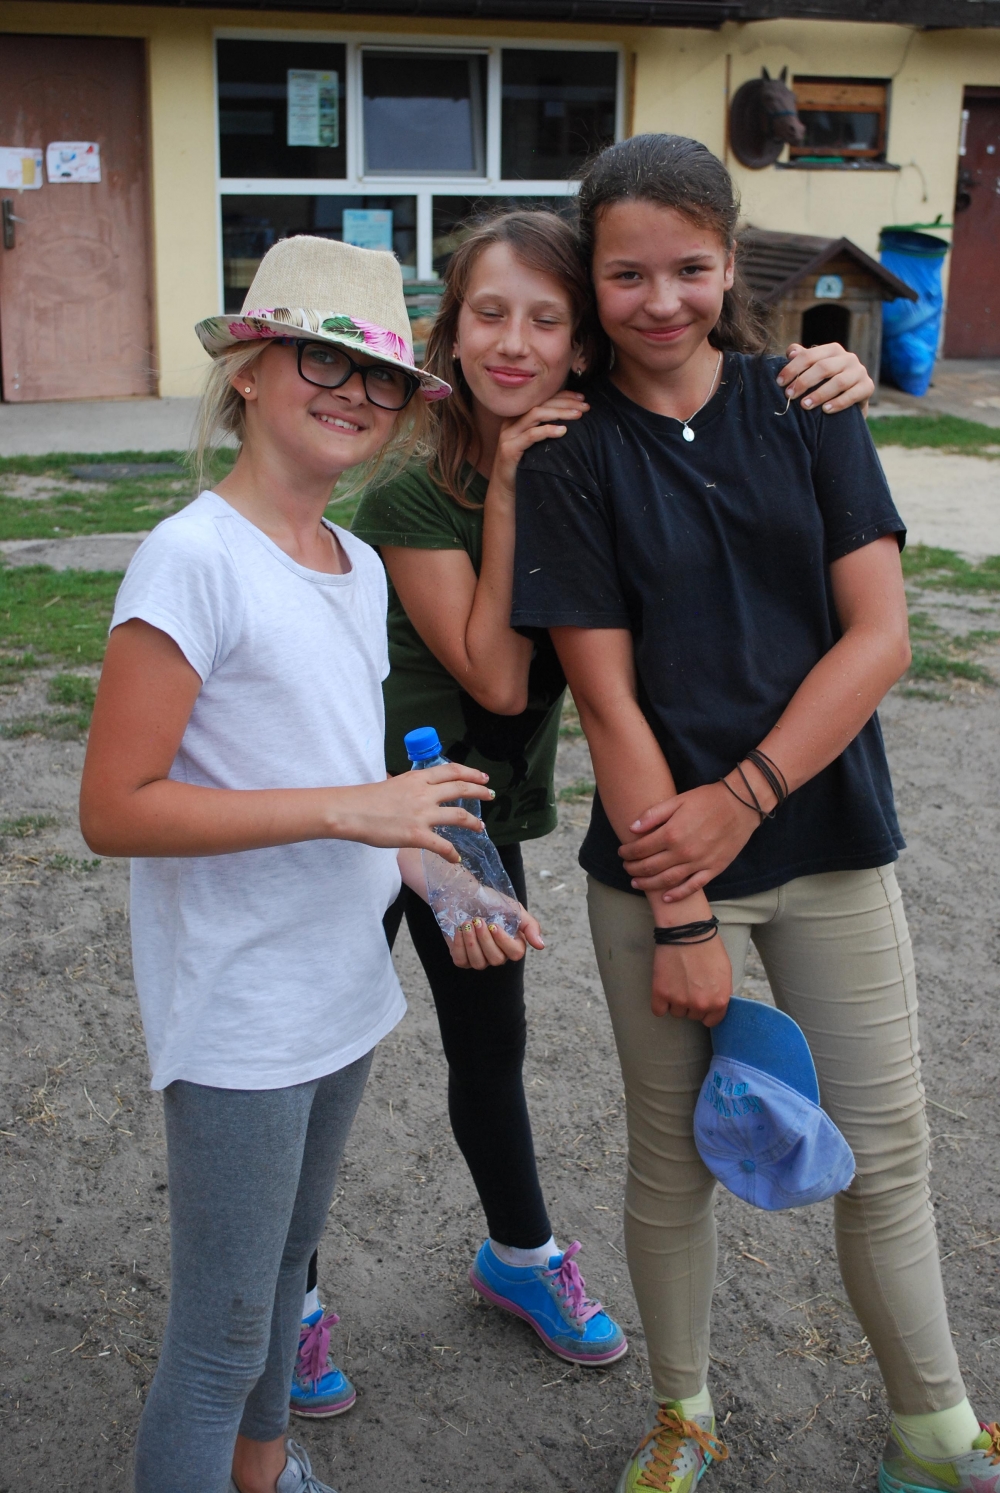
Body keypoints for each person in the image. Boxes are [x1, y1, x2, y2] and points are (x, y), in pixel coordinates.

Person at [294, 210, 878, 1416]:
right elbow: (499, 678)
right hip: (368, 808)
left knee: (488, 1043)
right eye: (487, 314)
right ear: (448, 334)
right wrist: (514, 484)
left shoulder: (598, 450)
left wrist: (818, 373)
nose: (512, 342)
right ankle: (285, 1295)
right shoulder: (415, 495)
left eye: (545, 319)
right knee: (316, 1052)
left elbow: (702, 407)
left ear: (580, 344)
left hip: (479, 811)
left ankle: (518, 1254)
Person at [511, 135, 1000, 1493]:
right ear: (592, 279)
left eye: (688, 267)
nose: (659, 299)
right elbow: (604, 699)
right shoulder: (569, 450)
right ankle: (683, 1415)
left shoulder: (809, 402)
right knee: (672, 1164)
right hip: (659, 862)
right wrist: (682, 910)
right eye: (626, 274)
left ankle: (934, 1431)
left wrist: (748, 794)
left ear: (730, 262)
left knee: (886, 1152)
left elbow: (880, 637)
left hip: (825, 838)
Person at [78, 235, 541, 1493]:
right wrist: (350, 809)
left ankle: (266, 1467)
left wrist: (446, 878)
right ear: (249, 370)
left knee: (288, 1269)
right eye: (321, 359)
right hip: (242, 1009)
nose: (354, 392)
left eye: (381, 375)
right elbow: (115, 807)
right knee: (218, 1337)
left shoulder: (358, 562)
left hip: (339, 990)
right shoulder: (192, 557)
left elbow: (356, 774)